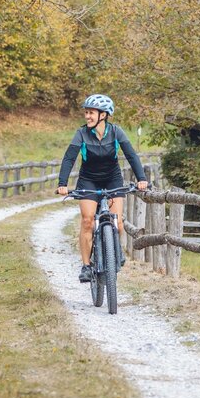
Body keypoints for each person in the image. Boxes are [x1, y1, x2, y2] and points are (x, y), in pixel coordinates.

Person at [55, 94, 148, 282]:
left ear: (103, 115)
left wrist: (142, 179)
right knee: (88, 221)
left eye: (91, 113)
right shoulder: (81, 133)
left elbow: (131, 155)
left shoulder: (116, 132)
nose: (87, 116)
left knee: (118, 222)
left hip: (112, 179)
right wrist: (62, 184)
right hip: (88, 180)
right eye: (86, 112)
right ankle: (86, 266)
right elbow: (69, 158)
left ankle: (115, 251)